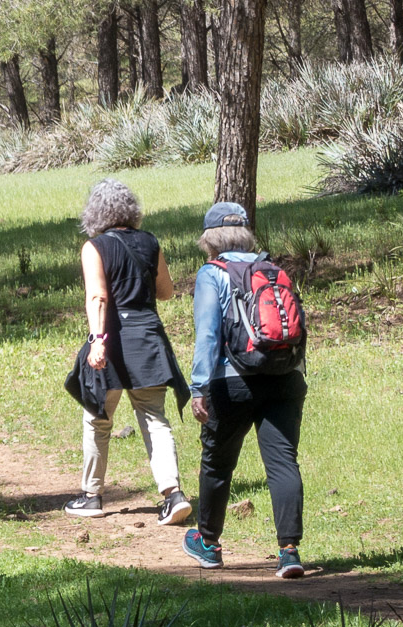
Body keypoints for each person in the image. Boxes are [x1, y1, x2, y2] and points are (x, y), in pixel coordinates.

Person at [181, 201, 308, 578]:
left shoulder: (212, 273)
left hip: (231, 381)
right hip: (285, 378)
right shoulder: (273, 269)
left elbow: (207, 334)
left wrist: (198, 387)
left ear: (210, 239)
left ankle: (208, 543)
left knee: (218, 463)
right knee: (283, 462)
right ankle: (289, 552)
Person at [63, 179, 192, 524]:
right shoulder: (150, 242)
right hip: (148, 337)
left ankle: (91, 497)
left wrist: (97, 339)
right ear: (131, 210)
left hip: (114, 339)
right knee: (154, 418)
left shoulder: (95, 247)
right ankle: (173, 495)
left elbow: (98, 297)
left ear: (94, 212)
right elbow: (165, 291)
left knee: (97, 417)